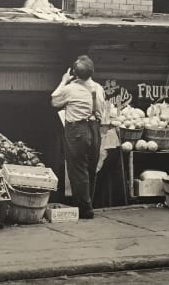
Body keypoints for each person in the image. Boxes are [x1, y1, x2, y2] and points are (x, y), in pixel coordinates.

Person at [51, 55, 106, 219]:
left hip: (77, 131)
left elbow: (54, 101)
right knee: (91, 169)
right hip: (94, 129)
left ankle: (85, 209)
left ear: (74, 73)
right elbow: (101, 111)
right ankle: (89, 203)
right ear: (92, 72)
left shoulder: (70, 89)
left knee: (77, 170)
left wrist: (64, 81)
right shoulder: (99, 88)